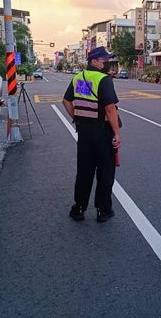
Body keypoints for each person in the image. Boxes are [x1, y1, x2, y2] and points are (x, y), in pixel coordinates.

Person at [62, 46, 121, 223]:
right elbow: (110, 109)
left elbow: (66, 101)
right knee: (105, 171)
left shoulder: (78, 77)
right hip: (102, 132)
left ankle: (79, 208)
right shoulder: (104, 80)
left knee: (84, 172)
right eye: (104, 60)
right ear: (94, 61)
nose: (107, 63)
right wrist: (117, 134)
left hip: (84, 132)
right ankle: (103, 210)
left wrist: (77, 118)